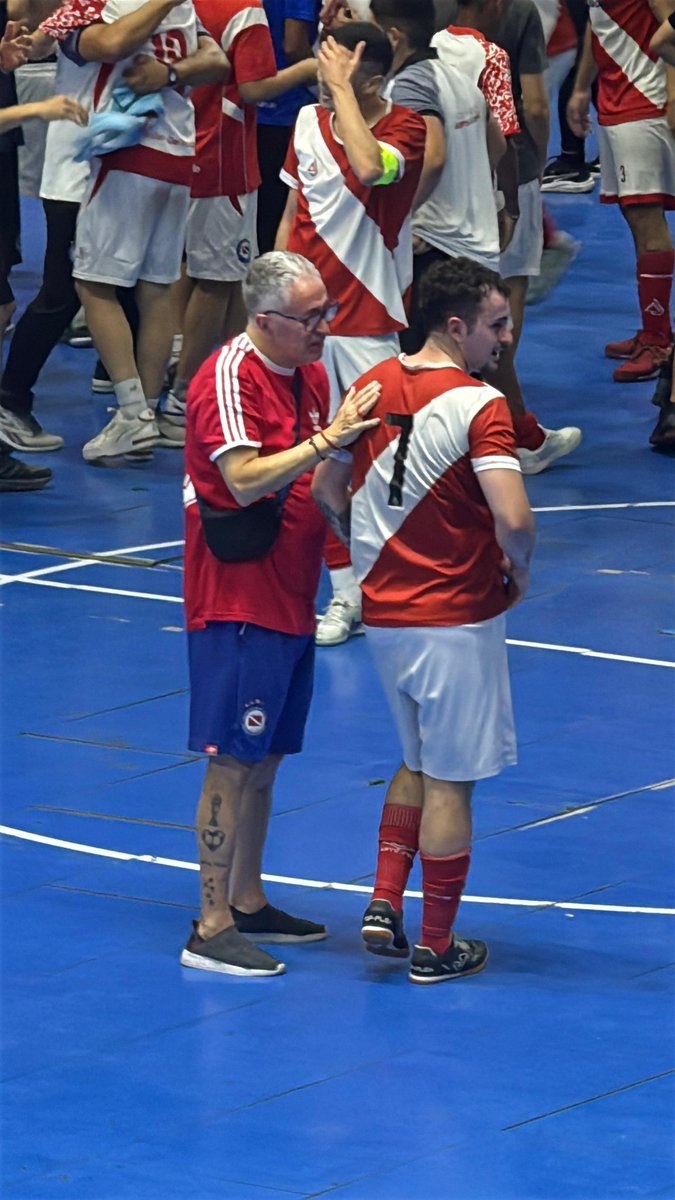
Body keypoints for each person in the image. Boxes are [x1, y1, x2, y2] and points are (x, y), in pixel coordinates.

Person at [312, 256, 536, 984]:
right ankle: (436, 946)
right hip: (455, 615)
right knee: (451, 781)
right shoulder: (478, 405)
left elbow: (325, 486)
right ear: (454, 326)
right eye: (494, 326)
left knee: (413, 759)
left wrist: (368, 550)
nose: (503, 339)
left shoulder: (371, 382)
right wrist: (518, 567)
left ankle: (382, 902)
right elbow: (512, 516)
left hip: (386, 612)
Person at [181, 250, 381, 977]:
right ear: (265, 321)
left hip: (291, 590)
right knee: (231, 759)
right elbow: (237, 482)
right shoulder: (230, 375)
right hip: (238, 595)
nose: (325, 327)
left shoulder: (313, 374)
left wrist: (363, 564)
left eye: (326, 312)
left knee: (267, 759)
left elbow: (320, 486)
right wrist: (327, 439)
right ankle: (209, 923)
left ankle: (248, 897)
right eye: (310, 318)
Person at [276, 22, 426, 645]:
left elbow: (368, 167)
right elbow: (293, 213)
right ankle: (345, 597)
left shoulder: (407, 130)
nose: (320, 71)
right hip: (306, 328)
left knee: (375, 473)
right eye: (321, 60)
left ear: (371, 76)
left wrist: (339, 91)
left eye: (335, 63)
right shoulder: (307, 122)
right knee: (315, 471)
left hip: (367, 324)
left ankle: (396, 585)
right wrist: (274, 304)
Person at [45, 0, 228, 464]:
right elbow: (216, 59)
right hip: (179, 152)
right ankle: (145, 412)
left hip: (130, 150)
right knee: (158, 289)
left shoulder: (121, 5)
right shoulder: (184, 10)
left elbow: (113, 42)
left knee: (91, 281)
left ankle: (130, 412)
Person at [163, 0, 320, 444]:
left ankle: (221, 375)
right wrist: (310, 69)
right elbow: (254, 88)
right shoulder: (244, 10)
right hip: (222, 159)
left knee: (197, 271)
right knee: (214, 279)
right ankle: (182, 397)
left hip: (179, 145)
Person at [568, 0, 675, 383]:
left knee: (648, 223)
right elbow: (598, 23)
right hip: (614, 102)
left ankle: (659, 341)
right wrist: (582, 87)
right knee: (634, 216)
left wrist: (674, 94)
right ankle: (653, 329)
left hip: (646, 103)